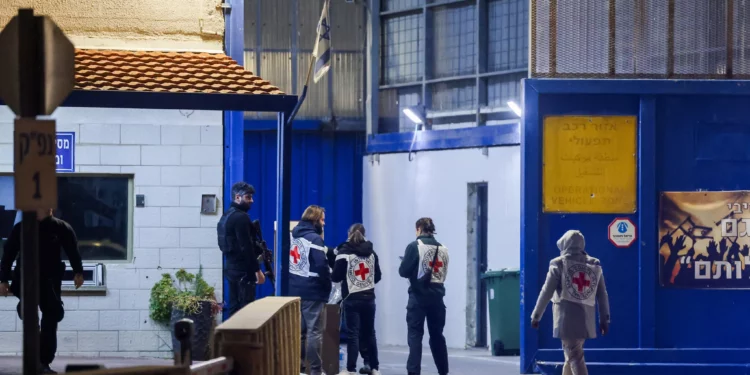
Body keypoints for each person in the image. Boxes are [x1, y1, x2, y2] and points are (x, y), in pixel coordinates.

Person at [0, 208, 84, 374]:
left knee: (51, 321)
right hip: (26, 281)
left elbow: (72, 250)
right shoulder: (22, 228)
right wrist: (3, 280)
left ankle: (44, 362)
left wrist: (78, 272)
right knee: (30, 319)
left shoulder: (61, 227)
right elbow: (8, 254)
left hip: (50, 281)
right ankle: (34, 358)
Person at [530, 230, 611, 375]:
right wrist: (604, 320)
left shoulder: (558, 264)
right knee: (571, 355)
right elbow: (602, 294)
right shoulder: (594, 264)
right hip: (586, 320)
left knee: (575, 357)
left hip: (566, 320)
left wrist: (536, 316)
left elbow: (546, 292)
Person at [398, 218, 450, 375]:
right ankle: (443, 371)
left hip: (418, 299)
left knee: (415, 337)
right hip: (437, 299)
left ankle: (414, 373)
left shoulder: (415, 246)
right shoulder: (443, 249)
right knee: (437, 337)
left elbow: (403, 271)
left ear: (419, 229)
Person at [331, 224, 381, 375]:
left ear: (349, 234)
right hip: (369, 299)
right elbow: (378, 276)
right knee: (370, 333)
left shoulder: (344, 252)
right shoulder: (372, 253)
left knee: (353, 334)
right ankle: (374, 368)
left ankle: (350, 369)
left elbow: (336, 276)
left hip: (352, 298)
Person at [289, 205, 331, 375]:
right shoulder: (315, 239)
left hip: (294, 290)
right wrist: (327, 286)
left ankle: (297, 368)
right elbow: (322, 265)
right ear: (315, 220)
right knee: (314, 332)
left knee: (299, 333)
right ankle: (315, 370)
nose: (324, 223)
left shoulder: (294, 236)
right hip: (313, 291)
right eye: (322, 220)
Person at [217, 182, 266, 319]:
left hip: (231, 267)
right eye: (248, 197)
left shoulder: (226, 216)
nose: (252, 201)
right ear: (238, 197)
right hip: (243, 270)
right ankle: (242, 339)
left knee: (235, 306)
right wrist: (257, 271)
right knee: (246, 310)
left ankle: (233, 338)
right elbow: (246, 247)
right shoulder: (241, 217)